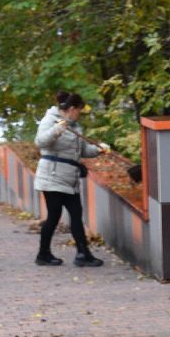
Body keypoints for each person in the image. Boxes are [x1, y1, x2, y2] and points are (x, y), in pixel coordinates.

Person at [33, 90, 108, 267]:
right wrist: (56, 130)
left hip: (68, 178)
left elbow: (82, 151)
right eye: (79, 111)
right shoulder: (50, 120)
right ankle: (43, 254)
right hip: (52, 176)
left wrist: (98, 150)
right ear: (72, 108)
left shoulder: (73, 126)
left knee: (76, 214)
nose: (79, 115)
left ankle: (83, 254)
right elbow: (41, 142)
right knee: (54, 216)